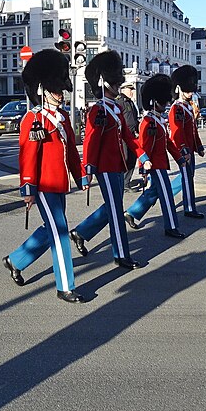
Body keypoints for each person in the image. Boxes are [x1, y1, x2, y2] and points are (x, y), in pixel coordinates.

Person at [2, 49, 88, 303]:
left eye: (62, 90)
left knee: (50, 228)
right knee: (60, 233)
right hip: (43, 186)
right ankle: (65, 286)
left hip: (59, 185)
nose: (61, 95)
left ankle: (16, 260)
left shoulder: (61, 118)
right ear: (43, 89)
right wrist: (27, 188)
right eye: (57, 90)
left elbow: (71, 150)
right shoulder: (34, 119)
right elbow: (27, 155)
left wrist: (80, 175)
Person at [69, 50, 152, 269]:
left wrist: (142, 155)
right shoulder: (97, 109)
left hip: (117, 165)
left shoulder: (115, 107)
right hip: (104, 168)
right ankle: (121, 254)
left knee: (113, 206)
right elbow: (91, 142)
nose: (119, 87)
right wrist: (87, 170)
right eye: (116, 84)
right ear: (106, 83)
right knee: (116, 210)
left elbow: (127, 136)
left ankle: (81, 232)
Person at [123, 74, 186, 239]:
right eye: (162, 101)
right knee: (166, 196)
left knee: (154, 192)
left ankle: (132, 213)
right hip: (155, 165)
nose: (165, 105)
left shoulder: (158, 120)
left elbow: (168, 143)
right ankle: (171, 226)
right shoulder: (149, 122)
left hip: (160, 164)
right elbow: (144, 146)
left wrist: (179, 158)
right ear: (153, 102)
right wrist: (144, 166)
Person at [169, 65, 205, 219]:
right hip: (184, 151)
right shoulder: (176, 108)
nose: (191, 93)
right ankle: (189, 208)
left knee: (188, 177)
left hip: (190, 149)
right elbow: (177, 133)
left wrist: (199, 146)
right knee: (187, 178)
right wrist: (183, 151)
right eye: (188, 90)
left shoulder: (187, 107)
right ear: (179, 88)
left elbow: (193, 131)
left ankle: (168, 194)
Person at [115, 82, 140, 190]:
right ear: (124, 89)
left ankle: (126, 182)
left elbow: (134, 119)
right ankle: (121, 182)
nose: (132, 92)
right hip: (123, 136)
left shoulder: (130, 103)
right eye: (130, 90)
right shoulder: (120, 101)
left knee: (132, 158)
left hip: (132, 134)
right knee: (124, 158)